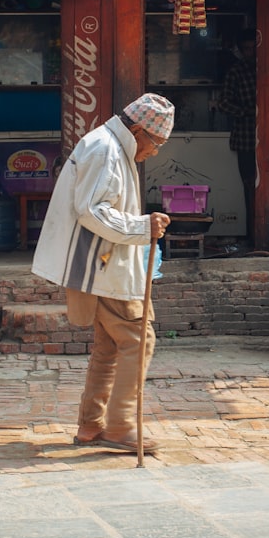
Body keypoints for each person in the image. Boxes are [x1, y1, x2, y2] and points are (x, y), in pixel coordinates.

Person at [31, 93, 174, 453]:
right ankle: (120, 426)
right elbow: (92, 211)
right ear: (139, 130)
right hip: (103, 265)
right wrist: (144, 227)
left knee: (111, 346)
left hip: (103, 264)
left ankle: (92, 426)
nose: (155, 151)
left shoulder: (110, 145)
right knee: (139, 340)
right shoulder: (105, 149)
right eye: (155, 142)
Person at [217, 28, 258, 242]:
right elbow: (223, 102)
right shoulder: (237, 72)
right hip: (246, 136)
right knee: (249, 185)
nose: (252, 53)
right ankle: (252, 232)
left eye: (254, 48)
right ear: (242, 51)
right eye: (247, 49)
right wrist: (246, 111)